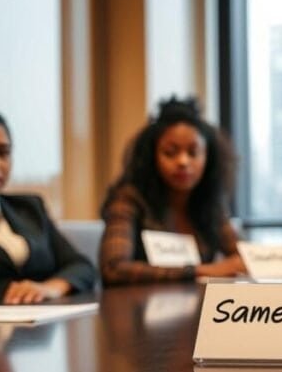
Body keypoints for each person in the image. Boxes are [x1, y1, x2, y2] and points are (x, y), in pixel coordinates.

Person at [99, 97, 245, 284]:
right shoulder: (128, 199)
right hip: (141, 308)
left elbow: (240, 257)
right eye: (170, 152)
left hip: (198, 305)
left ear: (208, 159)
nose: (183, 162)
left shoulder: (209, 202)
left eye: (193, 153)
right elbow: (113, 268)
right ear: (151, 157)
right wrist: (201, 271)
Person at [0, 106, 97, 303]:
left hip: (41, 326)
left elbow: (81, 266)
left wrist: (49, 288)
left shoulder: (29, 207)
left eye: (3, 152)